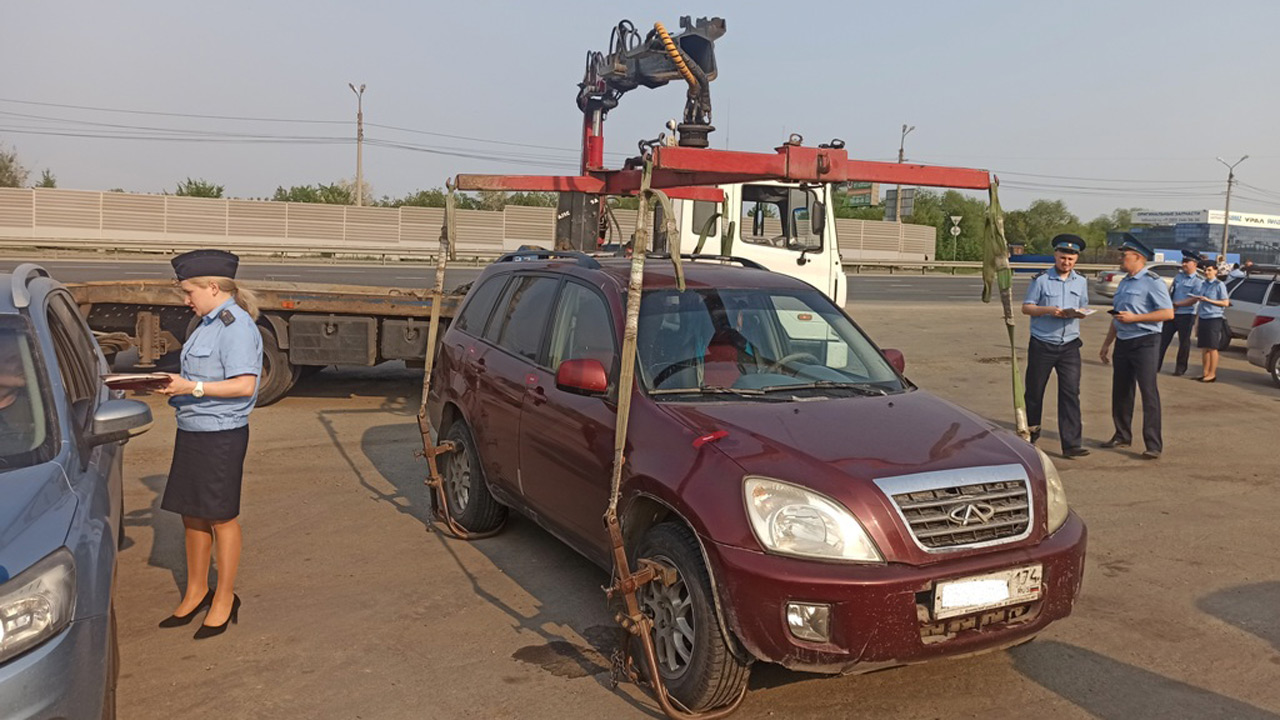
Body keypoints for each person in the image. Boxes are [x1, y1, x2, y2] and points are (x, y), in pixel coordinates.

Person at [156, 249, 263, 639]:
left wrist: (192, 387)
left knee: (220, 516)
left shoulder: (236, 327)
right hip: (193, 429)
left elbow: (244, 385)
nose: (186, 299)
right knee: (192, 513)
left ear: (213, 287)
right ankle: (197, 591)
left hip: (221, 434)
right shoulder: (204, 323)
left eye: (189, 292)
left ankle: (225, 598)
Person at [1099, 234, 1175, 459]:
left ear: (1138, 257)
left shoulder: (1153, 282)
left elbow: (1167, 313)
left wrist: (1136, 319)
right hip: (1123, 341)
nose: (1121, 259)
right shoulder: (1124, 281)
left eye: (1124, 256)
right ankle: (1122, 434)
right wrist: (1107, 344)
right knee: (1121, 391)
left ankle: (1153, 444)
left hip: (1145, 342)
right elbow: (1119, 316)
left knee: (1148, 392)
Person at [1021, 233, 1090, 458]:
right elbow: (1027, 307)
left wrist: (1078, 314)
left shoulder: (1081, 281)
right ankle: (1031, 437)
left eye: (1070, 259)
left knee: (1071, 392)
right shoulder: (1040, 280)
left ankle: (1071, 444)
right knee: (1034, 392)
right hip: (1043, 343)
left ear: (1076, 260)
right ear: (1055, 256)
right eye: (1062, 258)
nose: (1066, 262)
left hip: (1069, 344)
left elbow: (1084, 307)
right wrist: (1049, 310)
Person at [1158, 252, 1203, 376]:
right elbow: (1171, 292)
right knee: (1162, 340)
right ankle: (1156, 365)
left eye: (1186, 262)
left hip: (1187, 314)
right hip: (1172, 313)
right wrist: (1169, 305)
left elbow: (1194, 299)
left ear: (1194, 264)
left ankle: (1180, 368)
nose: (1183, 264)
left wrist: (1178, 304)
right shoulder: (1179, 277)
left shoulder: (1197, 281)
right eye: (1183, 261)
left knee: (1184, 343)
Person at [1192, 263, 1230, 382]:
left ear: (1215, 271)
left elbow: (1225, 302)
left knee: (1212, 347)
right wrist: (1197, 321)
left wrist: (1209, 300)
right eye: (1205, 270)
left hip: (1214, 317)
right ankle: (1205, 372)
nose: (1206, 272)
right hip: (1203, 317)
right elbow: (1200, 303)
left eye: (1209, 270)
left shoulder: (1219, 285)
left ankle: (1212, 373)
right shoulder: (1203, 284)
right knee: (1204, 347)